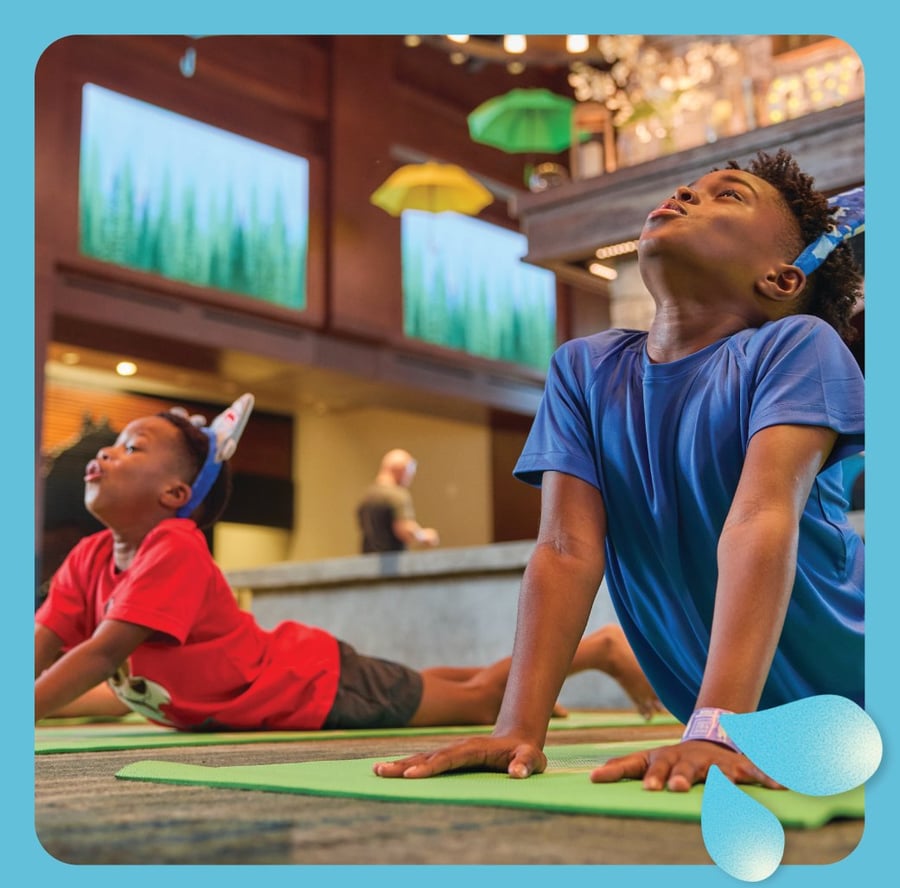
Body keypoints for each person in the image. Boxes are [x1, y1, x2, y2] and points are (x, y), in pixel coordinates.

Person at [374, 149, 864, 792]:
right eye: (687, 185)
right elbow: (563, 548)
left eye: (729, 195)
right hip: (730, 719)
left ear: (781, 280)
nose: (687, 194)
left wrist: (718, 728)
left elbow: (761, 515)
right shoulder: (584, 370)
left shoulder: (795, 345)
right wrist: (517, 728)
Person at [35, 394, 663, 729]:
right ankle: (570, 665)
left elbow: (98, 652)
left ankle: (600, 651)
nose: (108, 453)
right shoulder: (90, 556)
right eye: (112, 446)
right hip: (310, 675)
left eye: (132, 447)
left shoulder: (172, 546)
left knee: (478, 702)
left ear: (176, 496)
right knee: (448, 684)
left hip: (313, 690)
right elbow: (45, 642)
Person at [356, 448, 440, 553]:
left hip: (368, 564)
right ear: (402, 470)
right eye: (410, 471)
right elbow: (404, 529)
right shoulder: (397, 495)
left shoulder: (366, 496)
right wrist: (423, 536)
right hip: (392, 564)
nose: (410, 478)